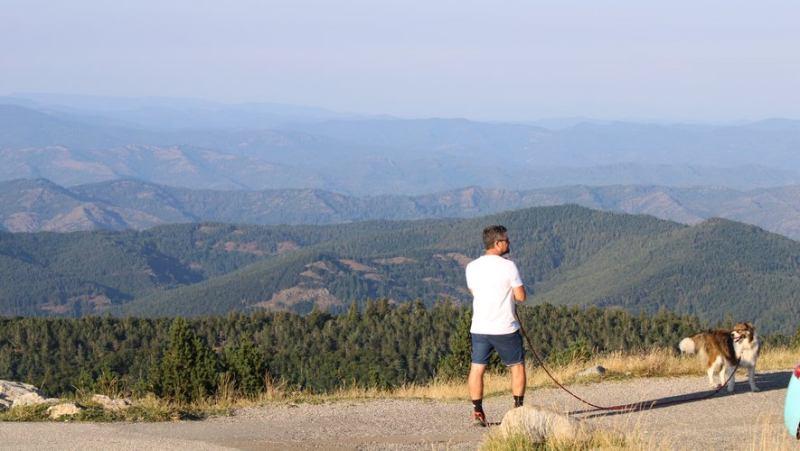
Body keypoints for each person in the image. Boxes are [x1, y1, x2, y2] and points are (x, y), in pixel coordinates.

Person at [465, 225, 527, 427]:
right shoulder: (509, 266)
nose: (509, 243)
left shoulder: (471, 267)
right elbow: (521, 297)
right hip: (505, 328)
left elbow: (474, 292)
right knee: (516, 367)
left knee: (477, 369)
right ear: (497, 243)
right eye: (506, 240)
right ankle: (518, 411)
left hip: (480, 327)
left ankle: (477, 413)